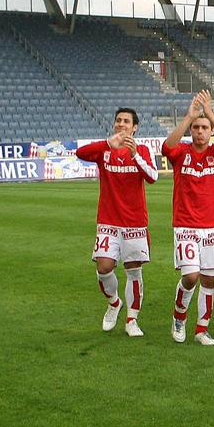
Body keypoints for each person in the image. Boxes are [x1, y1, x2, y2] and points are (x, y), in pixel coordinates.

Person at [162, 91, 214, 346]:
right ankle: (179, 317)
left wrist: (211, 114)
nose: (200, 131)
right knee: (191, 276)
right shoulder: (181, 153)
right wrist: (189, 116)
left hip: (212, 226)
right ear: (191, 131)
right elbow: (166, 147)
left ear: (210, 131)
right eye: (196, 128)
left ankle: (202, 329)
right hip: (185, 225)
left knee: (209, 279)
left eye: (204, 128)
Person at [76, 108, 158, 337]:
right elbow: (80, 152)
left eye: (126, 121)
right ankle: (114, 303)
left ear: (135, 127)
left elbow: (153, 177)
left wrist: (134, 155)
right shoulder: (104, 150)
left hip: (135, 223)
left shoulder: (142, 150)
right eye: (118, 121)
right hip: (109, 222)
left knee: (133, 270)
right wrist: (107, 144)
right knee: (103, 267)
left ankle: (132, 320)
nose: (121, 124)